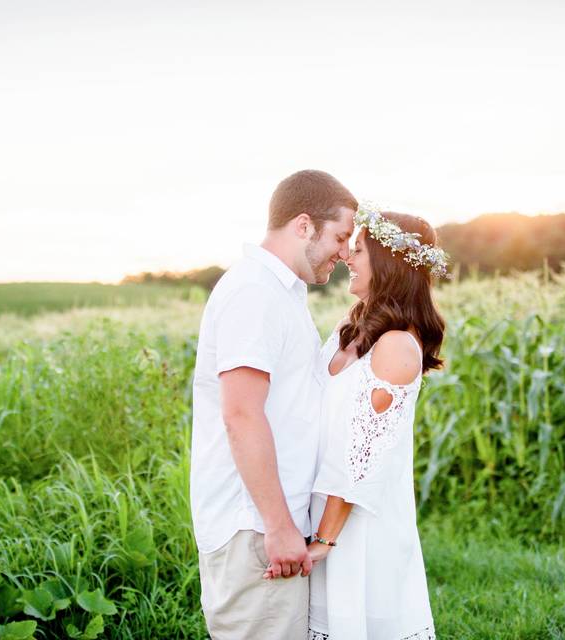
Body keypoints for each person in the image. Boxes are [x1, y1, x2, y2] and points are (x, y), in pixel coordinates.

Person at [265, 207, 447, 640]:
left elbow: (358, 459)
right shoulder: (352, 325)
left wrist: (324, 543)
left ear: (388, 264)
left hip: (357, 528)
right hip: (318, 508)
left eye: (359, 249)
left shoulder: (398, 346)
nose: (346, 255)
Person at [190, 170, 357, 639]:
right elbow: (241, 413)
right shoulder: (254, 293)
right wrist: (279, 526)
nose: (345, 254)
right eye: (341, 237)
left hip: (270, 521)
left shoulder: (283, 294)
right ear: (304, 226)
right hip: (256, 527)